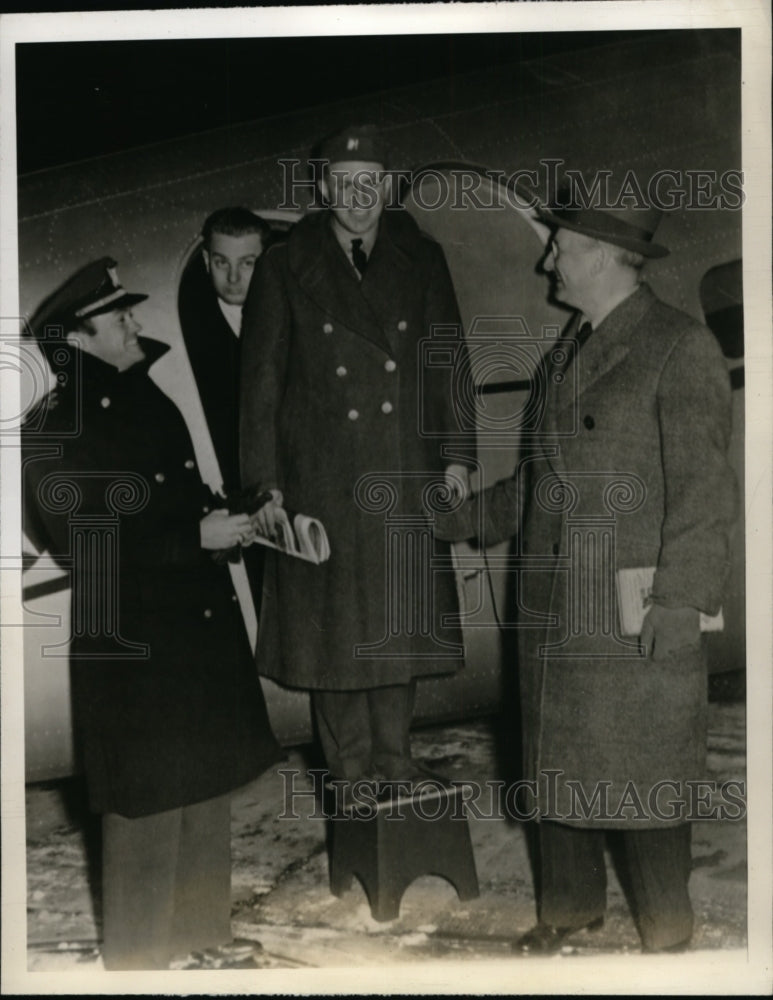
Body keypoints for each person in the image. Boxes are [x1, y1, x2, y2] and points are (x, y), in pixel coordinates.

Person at [435, 188, 737, 953]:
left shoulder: (676, 346)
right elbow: (538, 482)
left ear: (602, 254)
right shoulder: (564, 352)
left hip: (631, 608)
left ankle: (667, 931)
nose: (546, 259)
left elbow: (705, 493)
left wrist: (678, 602)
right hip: (553, 607)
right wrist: (453, 519)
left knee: (642, 774)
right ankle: (569, 910)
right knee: (559, 771)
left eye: (558, 247)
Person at [22, 258, 282, 970]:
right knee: (144, 804)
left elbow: (176, 497)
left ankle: (201, 939)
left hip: (185, 624)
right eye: (118, 316)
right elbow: (82, 541)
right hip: (134, 634)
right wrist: (191, 538)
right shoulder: (57, 427)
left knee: (201, 785)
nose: (136, 322)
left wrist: (234, 516)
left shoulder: (144, 395)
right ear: (77, 338)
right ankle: (137, 965)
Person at [240, 124, 473, 788]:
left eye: (370, 182)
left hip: (402, 471)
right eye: (344, 184)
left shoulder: (420, 258)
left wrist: (456, 457)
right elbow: (258, 387)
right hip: (321, 483)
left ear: (387, 185)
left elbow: (446, 362)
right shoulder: (285, 266)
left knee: (394, 633)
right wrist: (264, 489)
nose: (359, 197)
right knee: (335, 644)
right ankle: (349, 780)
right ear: (321, 189)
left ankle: (396, 767)